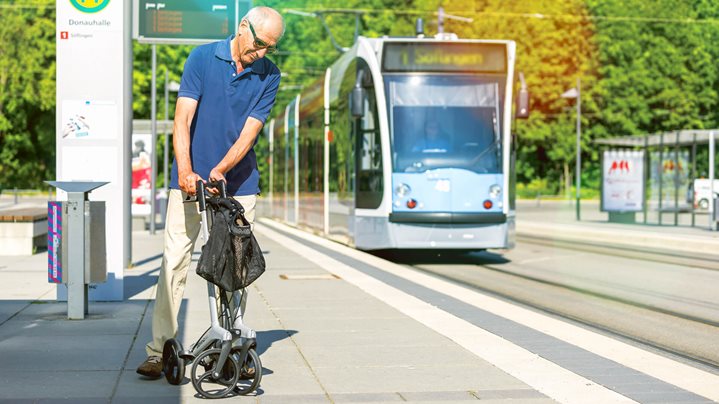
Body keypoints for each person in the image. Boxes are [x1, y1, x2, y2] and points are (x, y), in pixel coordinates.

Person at [136, 6, 284, 378]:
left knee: (235, 268)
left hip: (239, 185)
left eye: (271, 47)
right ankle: (158, 350)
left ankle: (232, 344)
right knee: (174, 261)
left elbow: (250, 132)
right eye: (260, 43)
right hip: (189, 182)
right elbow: (182, 118)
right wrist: (187, 170)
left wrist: (221, 170)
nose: (263, 52)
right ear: (242, 28)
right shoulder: (202, 58)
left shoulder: (269, 75)